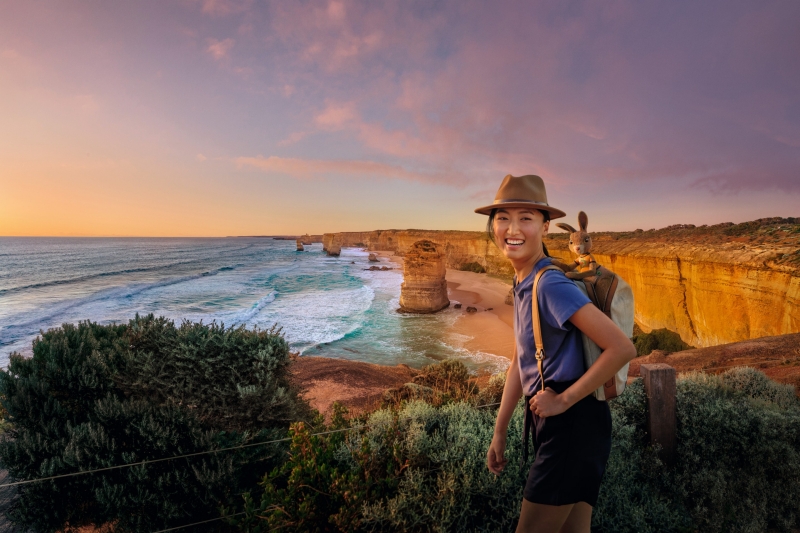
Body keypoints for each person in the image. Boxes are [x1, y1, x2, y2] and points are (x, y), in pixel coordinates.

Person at [476, 175, 636, 533]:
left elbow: (622, 348)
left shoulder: (549, 284)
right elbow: (522, 359)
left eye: (526, 218)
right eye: (503, 217)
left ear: (545, 227)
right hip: (568, 426)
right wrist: (499, 431)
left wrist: (564, 400)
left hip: (571, 425)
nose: (511, 228)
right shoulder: (523, 281)